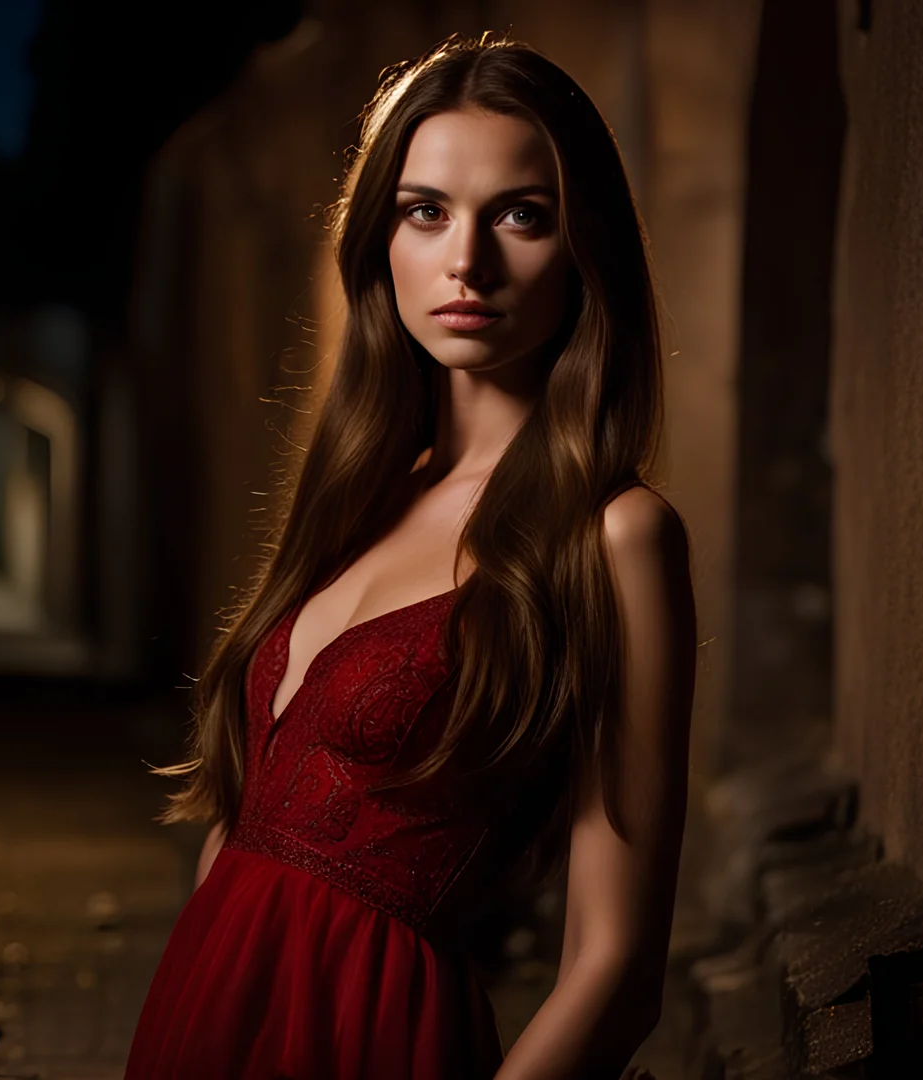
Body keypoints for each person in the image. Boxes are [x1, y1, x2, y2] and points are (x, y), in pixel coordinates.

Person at [124, 34, 696, 1080]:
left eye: (521, 214)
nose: (466, 261)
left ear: (584, 247)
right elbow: (247, 823)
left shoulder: (616, 538)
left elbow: (617, 968)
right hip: (198, 1023)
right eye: (426, 211)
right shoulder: (366, 493)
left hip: (366, 1037)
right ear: (382, 240)